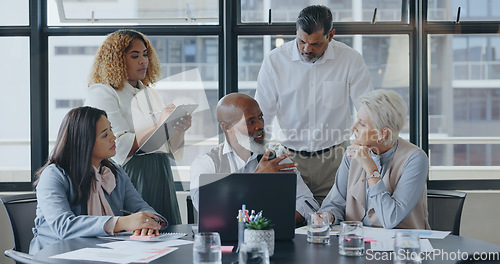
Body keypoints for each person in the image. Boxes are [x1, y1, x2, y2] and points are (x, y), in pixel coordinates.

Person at [254, 5, 373, 205]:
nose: (307, 49)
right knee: (289, 220)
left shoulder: (350, 59)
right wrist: (260, 160)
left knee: (334, 222)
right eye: (301, 41)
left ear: (331, 35)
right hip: (289, 160)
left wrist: (364, 152)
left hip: (334, 160)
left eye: (315, 44)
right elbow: (261, 116)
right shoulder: (275, 61)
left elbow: (368, 111)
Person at [85, 29, 191, 224]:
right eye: (135, 56)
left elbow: (169, 148)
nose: (143, 61)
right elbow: (118, 145)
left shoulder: (150, 94)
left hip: (161, 172)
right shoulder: (103, 92)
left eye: (145, 54)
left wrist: (178, 129)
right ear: (116, 60)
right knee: (136, 233)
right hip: (131, 174)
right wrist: (161, 124)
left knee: (165, 233)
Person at [30, 107, 167, 254]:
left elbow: (142, 208)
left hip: (102, 252)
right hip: (55, 255)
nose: (113, 137)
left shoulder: (114, 172)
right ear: (84, 142)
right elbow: (64, 227)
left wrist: (148, 224)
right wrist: (122, 222)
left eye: (111, 130)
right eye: (105, 134)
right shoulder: (53, 175)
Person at [190, 93, 319, 225]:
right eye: (250, 121)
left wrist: (266, 223)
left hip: (273, 240)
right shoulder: (206, 164)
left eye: (260, 117)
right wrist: (257, 179)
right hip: (224, 243)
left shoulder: (277, 161)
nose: (260, 126)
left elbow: (308, 204)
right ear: (227, 127)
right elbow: (210, 211)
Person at [319, 90, 430, 229]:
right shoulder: (352, 154)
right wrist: (328, 216)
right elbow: (335, 203)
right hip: (356, 242)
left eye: (362, 124)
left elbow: (390, 218)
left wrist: (370, 168)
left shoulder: (415, 158)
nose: (353, 128)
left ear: (383, 133)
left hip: (401, 246)